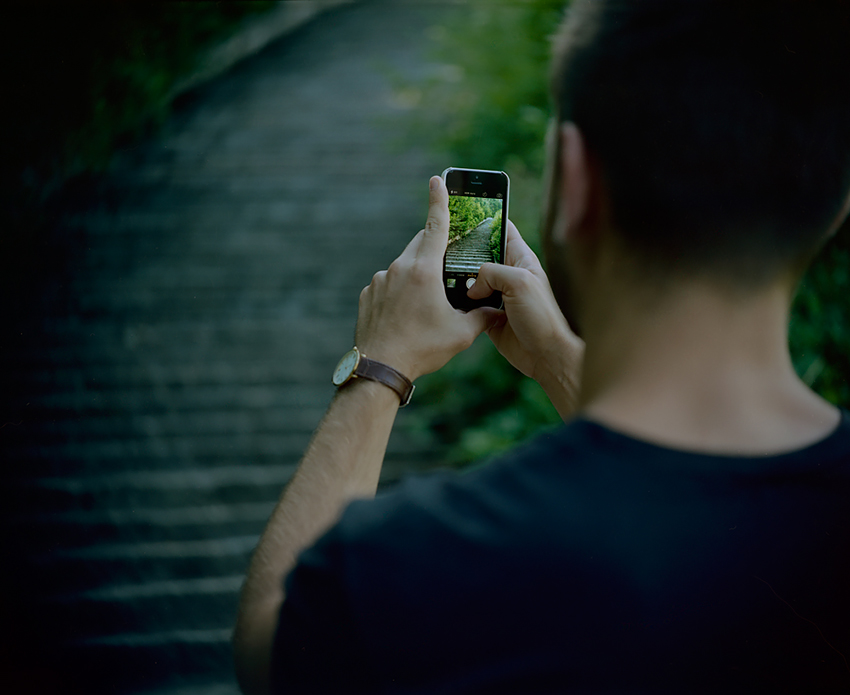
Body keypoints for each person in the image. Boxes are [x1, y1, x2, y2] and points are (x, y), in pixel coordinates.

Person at [233, 0, 850, 692]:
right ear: (834, 206)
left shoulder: (426, 557)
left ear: (576, 182)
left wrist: (380, 369)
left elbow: (268, 649)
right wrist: (558, 358)